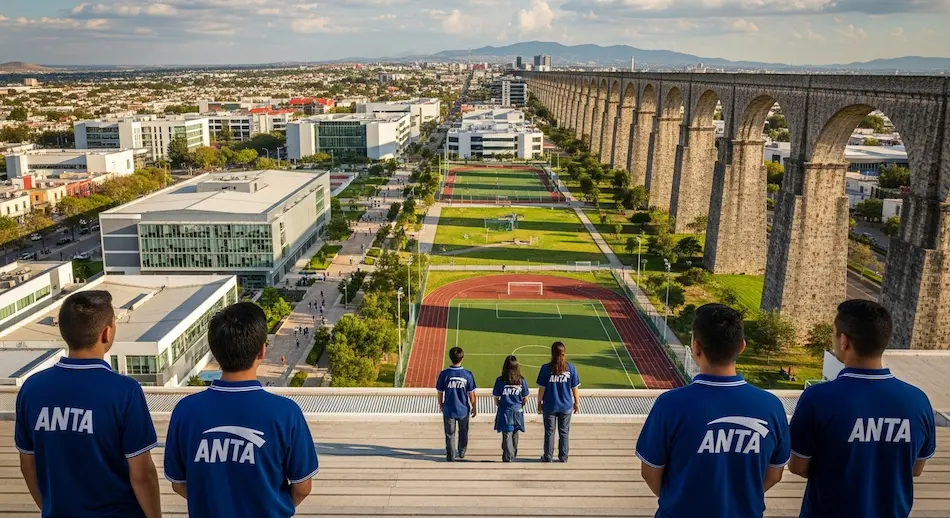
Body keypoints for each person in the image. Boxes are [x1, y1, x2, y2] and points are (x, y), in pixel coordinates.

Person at [15, 291, 162, 518]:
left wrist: (49, 508)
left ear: (64, 331)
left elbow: (28, 464)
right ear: (106, 333)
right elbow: (142, 475)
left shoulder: (32, 388)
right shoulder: (124, 391)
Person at [164, 302, 319, 518]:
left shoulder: (185, 411)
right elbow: (302, 486)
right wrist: (274, 507)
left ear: (215, 352)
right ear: (262, 351)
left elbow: (178, 483)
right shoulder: (285, 413)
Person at [636, 303, 789, 518]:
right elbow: (774, 474)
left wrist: (679, 498)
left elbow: (650, 472)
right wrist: (738, 500)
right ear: (742, 346)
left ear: (696, 347)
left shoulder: (669, 405)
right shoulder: (771, 407)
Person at [789, 300, 935, 518]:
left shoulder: (817, 398)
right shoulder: (918, 401)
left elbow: (798, 466)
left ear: (844, 341)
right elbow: (916, 468)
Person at [537, 342, 580, 463]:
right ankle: (563, 456)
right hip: (566, 406)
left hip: (550, 405)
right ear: (564, 353)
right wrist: (576, 402)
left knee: (549, 432)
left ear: (552, 353)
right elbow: (575, 388)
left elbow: (541, 389)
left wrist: (539, 403)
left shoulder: (546, 368)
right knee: (564, 431)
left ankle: (548, 456)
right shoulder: (571, 368)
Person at [435, 347, 477, 462]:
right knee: (463, 432)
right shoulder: (467, 374)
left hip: (449, 409)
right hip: (463, 410)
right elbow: (471, 393)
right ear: (462, 358)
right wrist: (474, 407)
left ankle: (451, 456)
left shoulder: (444, 374)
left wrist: (440, 404)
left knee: (449, 434)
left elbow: (440, 392)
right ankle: (462, 451)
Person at [493, 355, 529, 463]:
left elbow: (496, 397)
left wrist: (499, 404)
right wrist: (520, 405)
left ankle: (509, 456)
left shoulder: (500, 380)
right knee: (515, 431)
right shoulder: (521, 380)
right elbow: (525, 397)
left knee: (507, 433)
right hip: (517, 410)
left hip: (505, 410)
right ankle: (512, 452)